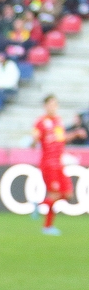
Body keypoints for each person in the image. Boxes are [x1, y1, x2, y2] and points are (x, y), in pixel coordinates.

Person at [32, 95, 87, 235]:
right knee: (54, 194)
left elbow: (61, 139)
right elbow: (34, 138)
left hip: (59, 163)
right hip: (49, 163)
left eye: (55, 104)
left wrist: (75, 134)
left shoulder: (58, 121)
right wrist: (34, 139)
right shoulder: (41, 122)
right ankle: (47, 226)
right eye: (50, 104)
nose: (53, 107)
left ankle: (39, 205)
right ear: (45, 106)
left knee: (68, 194)